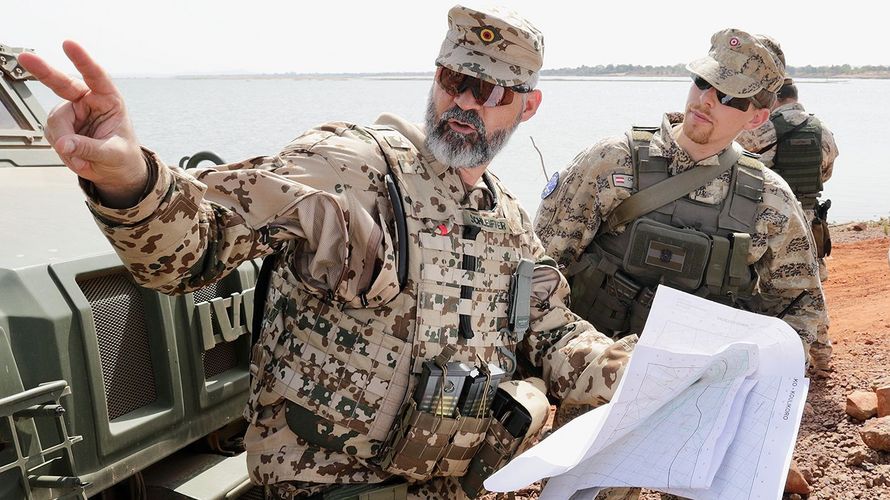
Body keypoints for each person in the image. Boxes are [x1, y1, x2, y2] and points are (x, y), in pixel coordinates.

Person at [19, 5, 635, 499]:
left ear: (529, 106)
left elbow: (552, 335)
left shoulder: (506, 220)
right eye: (455, 80)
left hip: (447, 487)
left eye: (493, 92)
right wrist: (129, 179)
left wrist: (637, 374)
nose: (466, 104)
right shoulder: (348, 167)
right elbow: (191, 253)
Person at [534, 29, 827, 371]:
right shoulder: (612, 163)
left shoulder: (770, 200)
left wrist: (759, 380)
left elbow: (801, 307)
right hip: (594, 389)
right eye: (704, 82)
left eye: (731, 98)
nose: (707, 100)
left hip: (702, 394)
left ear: (758, 117)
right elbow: (542, 270)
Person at [735, 39, 839, 373]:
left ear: (775, 98)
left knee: (763, 287)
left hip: (771, 221)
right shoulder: (822, 129)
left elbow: (743, 169)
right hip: (811, 219)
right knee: (813, 288)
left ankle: (772, 362)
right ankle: (822, 358)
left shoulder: (763, 129)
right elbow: (827, 169)